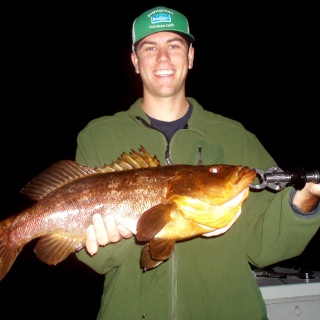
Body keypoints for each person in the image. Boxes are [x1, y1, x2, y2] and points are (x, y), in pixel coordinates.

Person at [75, 6, 320, 319]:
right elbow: (95, 259)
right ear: (135, 61)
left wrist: (306, 199)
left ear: (190, 56)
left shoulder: (234, 136)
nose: (163, 58)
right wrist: (120, 239)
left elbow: (264, 247)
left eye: (174, 46)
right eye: (150, 47)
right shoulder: (99, 136)